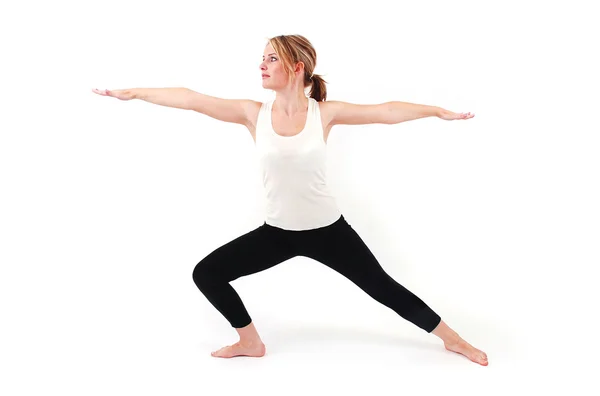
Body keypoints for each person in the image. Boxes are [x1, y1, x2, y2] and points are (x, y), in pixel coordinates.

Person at [92, 34, 488, 366]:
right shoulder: (252, 113)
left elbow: (385, 111)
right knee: (207, 273)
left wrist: (437, 111)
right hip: (277, 233)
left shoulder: (325, 113)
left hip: (329, 232)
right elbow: (191, 98)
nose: (261, 65)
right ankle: (250, 342)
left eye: (271, 59)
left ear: (296, 67)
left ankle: (452, 338)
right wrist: (137, 93)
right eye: (261, 59)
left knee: (383, 288)